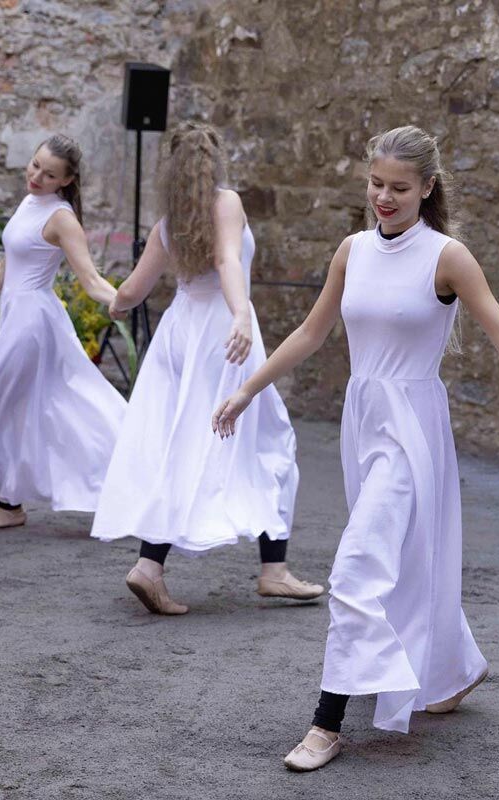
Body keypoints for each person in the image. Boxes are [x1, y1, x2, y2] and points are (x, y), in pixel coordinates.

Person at [212, 125, 499, 771]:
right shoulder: (352, 250)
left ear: (428, 188)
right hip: (363, 421)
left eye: (399, 188)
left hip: (412, 428)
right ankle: (454, 668)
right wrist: (245, 391)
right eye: (376, 184)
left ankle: (326, 724)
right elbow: (312, 332)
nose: (384, 197)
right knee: (402, 561)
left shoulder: (448, 257)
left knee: (357, 566)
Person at [90, 122, 321, 614]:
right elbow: (227, 260)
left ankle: (150, 566)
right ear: (216, 161)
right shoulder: (227, 202)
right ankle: (273, 569)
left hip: (180, 334)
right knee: (271, 439)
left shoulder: (167, 223)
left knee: (182, 444)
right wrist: (241, 315)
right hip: (222, 336)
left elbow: (132, 290)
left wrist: (112, 303)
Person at [0, 135, 125, 527]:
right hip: (17, 319)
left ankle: (16, 504)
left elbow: (90, 280)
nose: (36, 176)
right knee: (34, 411)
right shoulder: (30, 202)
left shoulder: (62, 218)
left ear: (66, 181)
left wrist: (125, 298)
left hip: (31, 325)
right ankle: (11, 505)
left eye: (49, 174)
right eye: (36, 165)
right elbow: (8, 266)